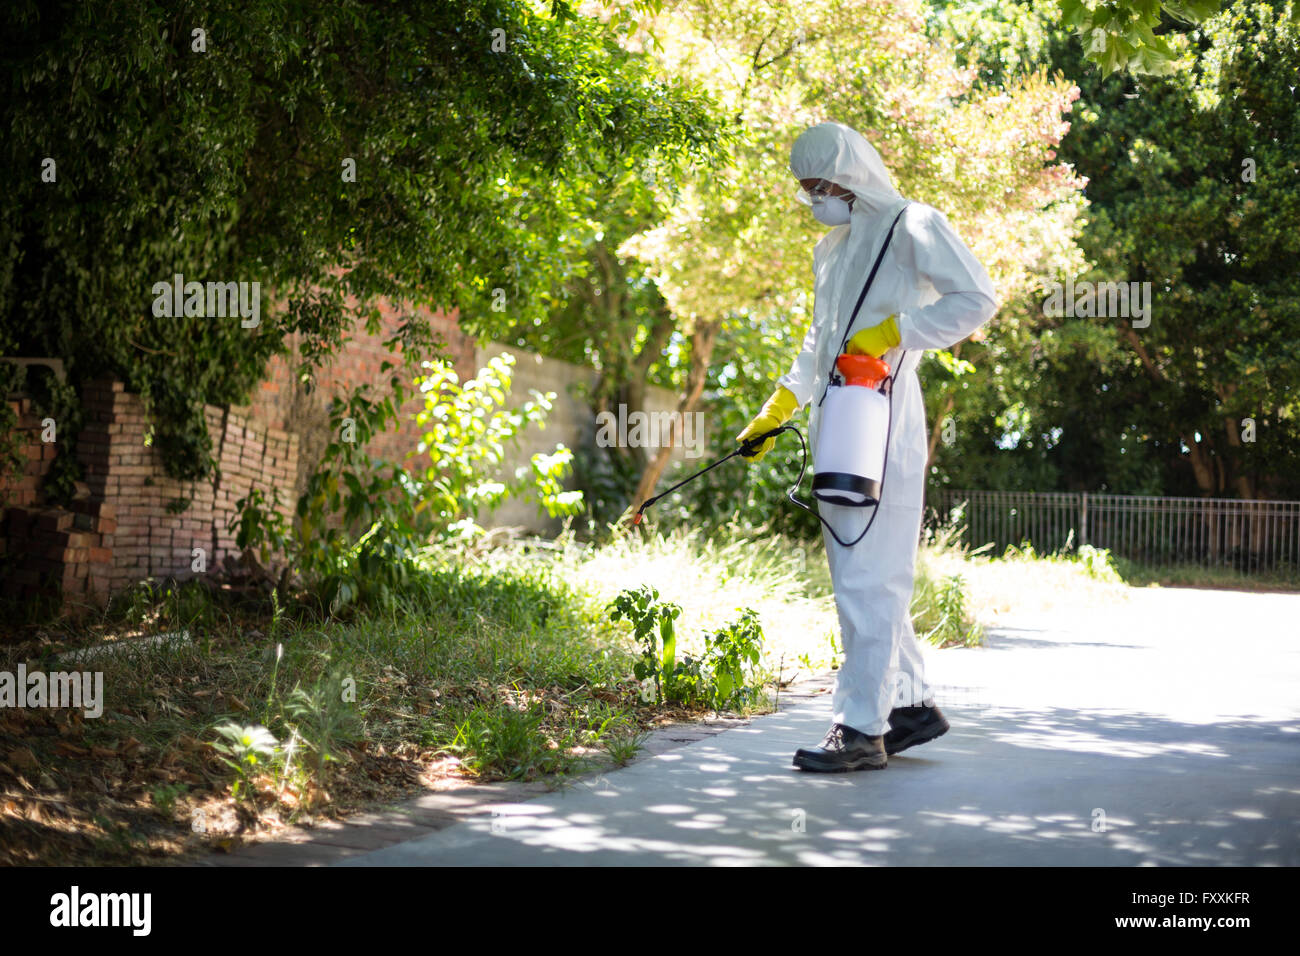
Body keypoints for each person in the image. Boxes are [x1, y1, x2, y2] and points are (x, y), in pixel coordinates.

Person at [737, 121, 997, 772]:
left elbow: (977, 299)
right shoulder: (832, 249)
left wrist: (896, 330)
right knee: (860, 576)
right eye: (806, 190)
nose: (814, 199)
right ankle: (907, 707)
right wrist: (779, 406)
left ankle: (859, 730)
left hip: (881, 417)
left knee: (868, 578)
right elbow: (820, 338)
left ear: (850, 177)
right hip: (835, 418)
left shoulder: (915, 225)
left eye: (820, 185)